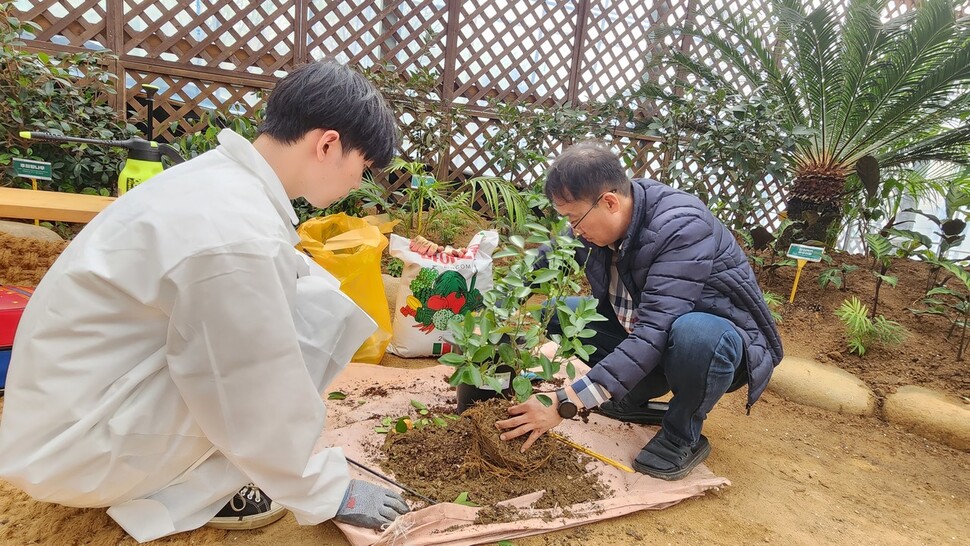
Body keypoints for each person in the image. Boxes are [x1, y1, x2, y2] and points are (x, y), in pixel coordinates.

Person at [0, 61, 410, 542]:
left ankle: (226, 466)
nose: (358, 184)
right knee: (290, 333)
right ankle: (210, 483)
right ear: (327, 144)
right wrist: (328, 490)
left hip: (73, 412)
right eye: (362, 168)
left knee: (305, 296)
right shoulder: (236, 232)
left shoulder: (217, 184)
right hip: (81, 449)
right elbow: (249, 388)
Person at [495, 141, 784, 480]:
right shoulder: (595, 221)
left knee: (696, 337)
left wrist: (564, 402)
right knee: (559, 312)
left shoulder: (681, 226)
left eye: (574, 219)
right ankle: (630, 396)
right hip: (644, 333)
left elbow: (654, 332)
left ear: (610, 202)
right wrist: (495, 306)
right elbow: (546, 257)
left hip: (713, 349)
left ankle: (682, 433)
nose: (573, 230)